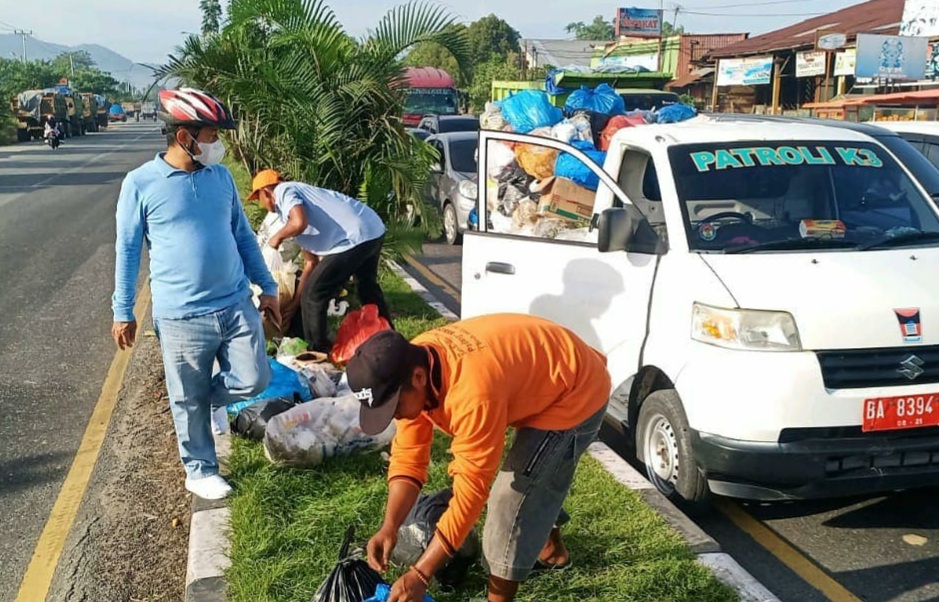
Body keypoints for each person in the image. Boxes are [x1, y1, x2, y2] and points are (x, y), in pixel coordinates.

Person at [347, 314, 611, 602]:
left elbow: (470, 493)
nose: (394, 416)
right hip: (543, 373)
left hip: (575, 390)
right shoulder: (415, 362)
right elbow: (409, 458)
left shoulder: (472, 393)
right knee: (533, 477)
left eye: (393, 407)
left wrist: (421, 574)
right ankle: (552, 552)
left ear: (418, 378)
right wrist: (389, 527)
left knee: (511, 498)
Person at [111, 87, 281, 500]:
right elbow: (128, 249)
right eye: (211, 135)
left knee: (254, 377)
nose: (218, 144)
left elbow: (243, 236)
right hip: (181, 315)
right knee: (186, 396)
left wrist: (268, 287)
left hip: (235, 303)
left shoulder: (220, 178)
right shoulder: (140, 183)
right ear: (184, 136)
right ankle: (200, 469)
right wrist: (123, 309)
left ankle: (204, 401)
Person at [248, 169, 392, 352]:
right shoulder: (296, 206)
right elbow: (311, 263)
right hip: (373, 230)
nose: (261, 205)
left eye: (258, 198)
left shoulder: (283, 190)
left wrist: (276, 238)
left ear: (266, 192)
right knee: (367, 287)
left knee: (314, 294)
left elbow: (299, 223)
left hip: (354, 238)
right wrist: (294, 304)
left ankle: (318, 352)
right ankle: (390, 339)